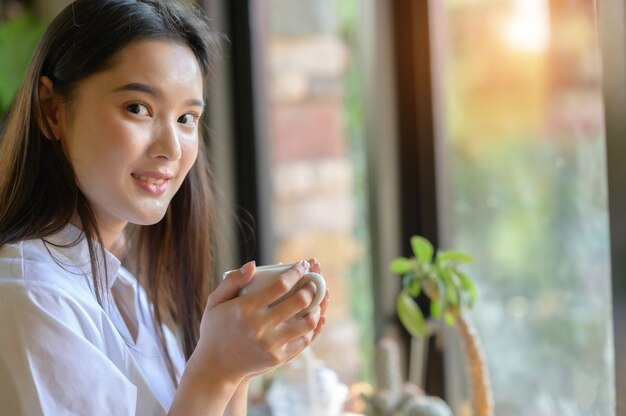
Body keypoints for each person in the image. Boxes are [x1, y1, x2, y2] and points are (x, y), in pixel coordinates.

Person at [0, 0, 329, 414]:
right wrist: (217, 369)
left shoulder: (123, 288)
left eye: (187, 118)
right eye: (138, 108)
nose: (171, 149)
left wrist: (242, 364)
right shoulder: (31, 298)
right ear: (52, 111)